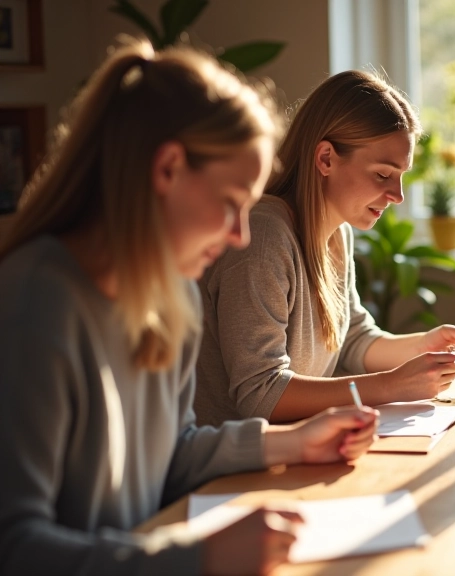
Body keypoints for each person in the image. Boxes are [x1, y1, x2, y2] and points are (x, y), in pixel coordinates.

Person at [0, 39, 378, 576]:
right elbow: (15, 549)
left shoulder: (172, 292)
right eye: (231, 205)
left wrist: (289, 443)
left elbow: (171, 455)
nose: (240, 235)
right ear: (168, 169)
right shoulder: (36, 305)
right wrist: (199, 557)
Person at [194, 70, 455, 426]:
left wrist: (425, 345)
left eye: (401, 176)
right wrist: (391, 386)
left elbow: (351, 340)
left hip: (295, 448)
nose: (398, 196)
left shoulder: (336, 232)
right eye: (382, 175)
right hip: (234, 469)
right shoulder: (263, 238)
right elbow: (260, 393)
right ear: (326, 159)